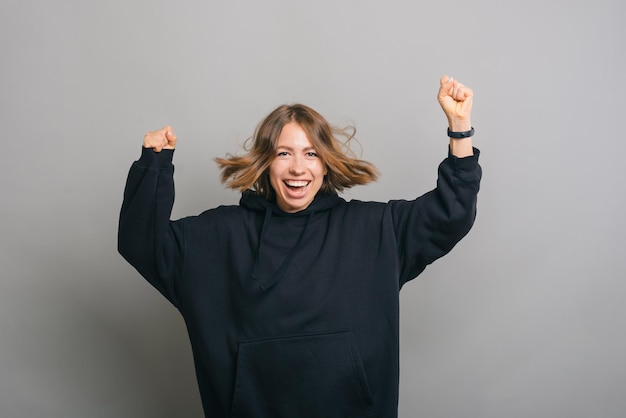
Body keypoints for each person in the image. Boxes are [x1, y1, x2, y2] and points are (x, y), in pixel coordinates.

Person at [118, 76, 481, 418]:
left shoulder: (376, 229)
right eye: (283, 154)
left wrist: (460, 130)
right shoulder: (218, 236)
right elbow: (142, 244)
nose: (297, 168)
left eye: (310, 154)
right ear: (265, 163)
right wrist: (154, 166)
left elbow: (450, 214)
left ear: (326, 164)